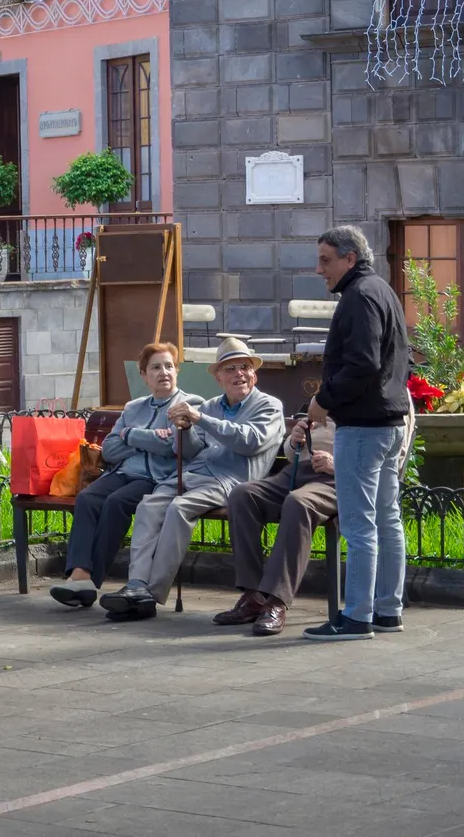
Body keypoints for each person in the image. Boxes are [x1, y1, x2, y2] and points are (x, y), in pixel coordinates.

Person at [99, 338, 285, 621]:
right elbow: (190, 448)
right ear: (219, 378)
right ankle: (136, 585)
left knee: (179, 508)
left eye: (244, 367)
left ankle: (151, 594)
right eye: (230, 369)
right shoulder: (211, 405)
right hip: (192, 474)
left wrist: (199, 419)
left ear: (254, 374)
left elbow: (250, 441)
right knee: (149, 505)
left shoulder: (268, 405)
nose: (239, 374)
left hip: (230, 482)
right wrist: (183, 429)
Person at [304, 226, 411, 641]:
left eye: (327, 260)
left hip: (365, 426)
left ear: (350, 259)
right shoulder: (380, 290)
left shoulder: (359, 296)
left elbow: (362, 364)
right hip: (387, 423)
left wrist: (323, 401)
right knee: (387, 520)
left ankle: (357, 617)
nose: (320, 269)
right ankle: (387, 611)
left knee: (360, 524)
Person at [50, 343, 200, 608]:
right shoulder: (134, 408)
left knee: (115, 504)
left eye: (168, 366)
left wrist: (130, 435)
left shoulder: (189, 404)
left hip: (155, 478)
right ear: (143, 375)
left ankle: (89, 581)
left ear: (177, 371)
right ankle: (79, 573)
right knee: (87, 498)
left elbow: (172, 447)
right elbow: (109, 448)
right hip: (122, 471)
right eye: (155, 367)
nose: (163, 372)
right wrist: (149, 437)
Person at [214, 416, 338, 636]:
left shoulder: (384, 403)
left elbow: (387, 458)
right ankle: (254, 595)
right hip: (296, 473)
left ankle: (276, 601)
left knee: (298, 502)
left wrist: (337, 465)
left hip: (335, 480)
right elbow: (291, 455)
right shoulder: (323, 401)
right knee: (243, 494)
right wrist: (294, 441)